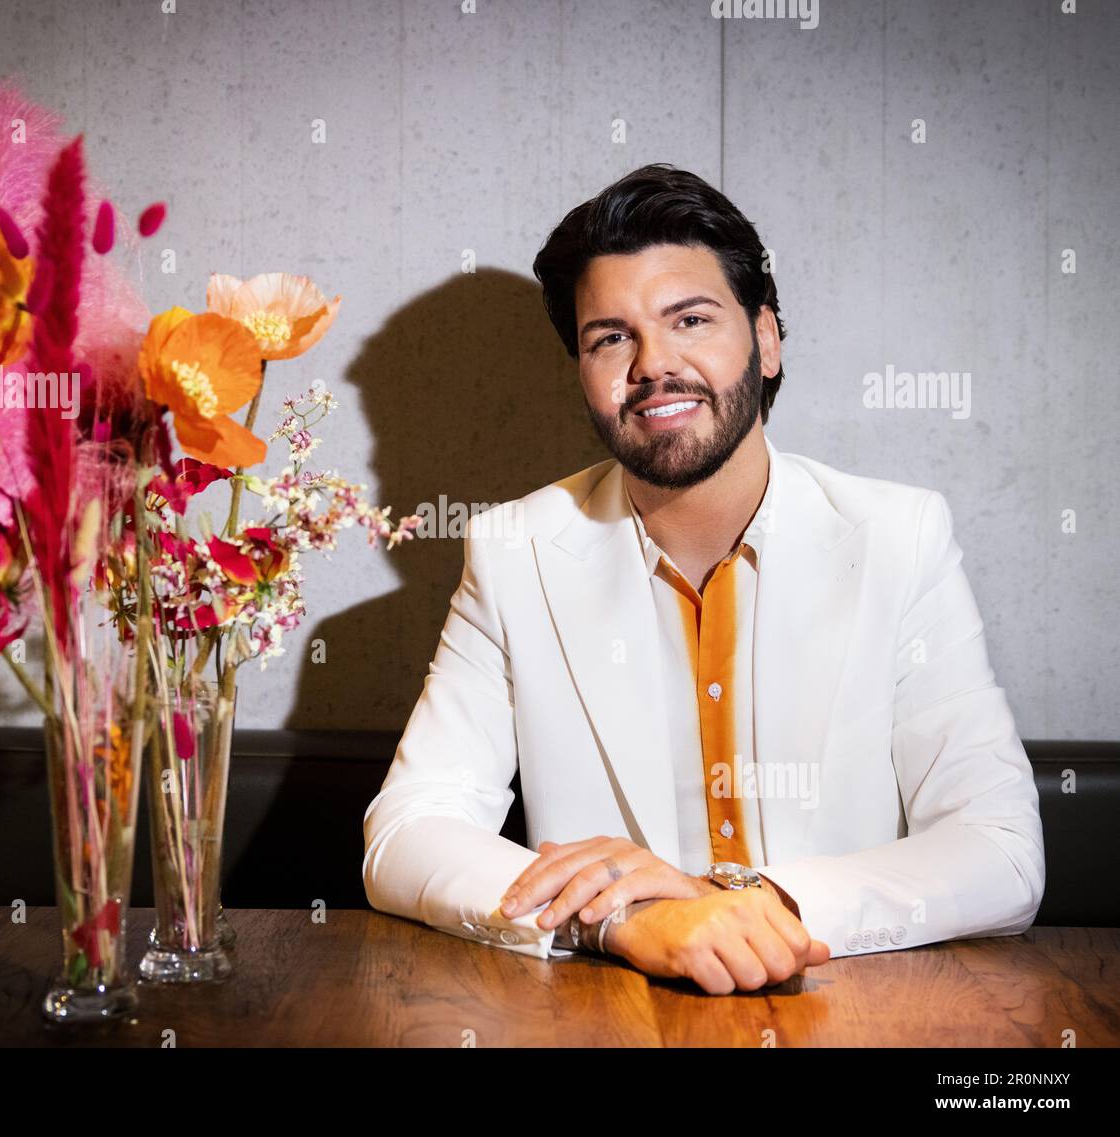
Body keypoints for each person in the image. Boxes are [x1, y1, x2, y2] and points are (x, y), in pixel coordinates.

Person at [362, 163, 1045, 995]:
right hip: (612, 1017)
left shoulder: (899, 537)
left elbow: (1001, 849)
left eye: (690, 318)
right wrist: (622, 916)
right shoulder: (516, 551)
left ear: (765, 337)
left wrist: (747, 903)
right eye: (610, 337)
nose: (654, 364)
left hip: (848, 1011)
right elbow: (407, 830)